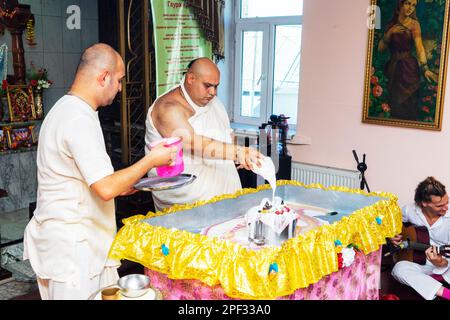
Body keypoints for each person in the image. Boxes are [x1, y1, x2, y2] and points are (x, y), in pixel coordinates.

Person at [23, 43, 177, 300]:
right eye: (118, 80)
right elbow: (106, 188)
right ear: (103, 76)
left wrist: (149, 182)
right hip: (74, 249)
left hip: (79, 242)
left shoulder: (70, 108)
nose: (119, 88)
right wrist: (151, 160)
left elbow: (102, 182)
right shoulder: (77, 118)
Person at [145, 57, 264, 211]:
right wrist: (238, 152)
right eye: (207, 86)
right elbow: (193, 143)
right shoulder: (167, 107)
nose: (213, 92)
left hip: (223, 191)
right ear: (190, 78)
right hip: (189, 201)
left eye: (216, 86)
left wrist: (239, 153)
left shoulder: (213, 102)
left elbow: (226, 132)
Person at [389, 176, 450, 300]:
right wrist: (392, 235)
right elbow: (391, 223)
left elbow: (445, 262)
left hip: (446, 262)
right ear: (424, 203)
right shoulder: (410, 210)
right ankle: (445, 294)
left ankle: (432, 289)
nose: (446, 208)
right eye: (439, 205)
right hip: (421, 261)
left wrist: (440, 262)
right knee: (398, 269)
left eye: (447, 202)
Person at [378, 0, 438, 120]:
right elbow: (380, 49)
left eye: (414, 5)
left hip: (409, 69)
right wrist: (390, 33)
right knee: (393, 108)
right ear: (400, 4)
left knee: (409, 107)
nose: (411, 8)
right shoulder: (391, 24)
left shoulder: (414, 24)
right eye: (408, 3)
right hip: (393, 69)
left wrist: (425, 69)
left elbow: (419, 47)